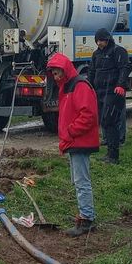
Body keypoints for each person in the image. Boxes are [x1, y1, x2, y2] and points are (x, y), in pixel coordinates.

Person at [46, 52, 100, 238]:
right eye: (53, 73)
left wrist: (70, 132)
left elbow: (88, 116)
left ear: (65, 69)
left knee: (81, 182)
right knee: (78, 180)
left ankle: (87, 219)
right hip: (73, 141)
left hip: (79, 141)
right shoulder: (67, 87)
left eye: (57, 72)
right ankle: (85, 215)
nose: (55, 76)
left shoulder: (79, 87)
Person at [88, 28, 130, 164]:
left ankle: (113, 156)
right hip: (100, 92)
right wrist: (88, 87)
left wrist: (120, 85)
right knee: (104, 122)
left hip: (113, 92)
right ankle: (110, 153)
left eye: (102, 40)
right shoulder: (96, 55)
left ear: (107, 40)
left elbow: (124, 68)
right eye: (98, 41)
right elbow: (92, 72)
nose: (99, 43)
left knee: (109, 121)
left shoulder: (118, 51)